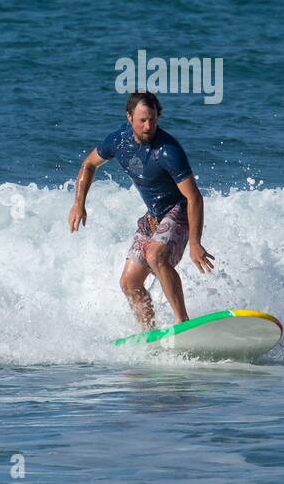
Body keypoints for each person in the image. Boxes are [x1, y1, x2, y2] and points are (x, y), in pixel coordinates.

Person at [68, 92, 214, 330]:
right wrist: (78, 203)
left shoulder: (168, 151)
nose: (148, 126)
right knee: (129, 282)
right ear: (129, 117)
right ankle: (149, 332)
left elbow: (194, 197)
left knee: (155, 256)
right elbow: (89, 164)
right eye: (142, 120)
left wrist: (195, 242)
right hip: (153, 215)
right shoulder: (118, 142)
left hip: (179, 211)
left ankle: (182, 322)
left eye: (152, 120)